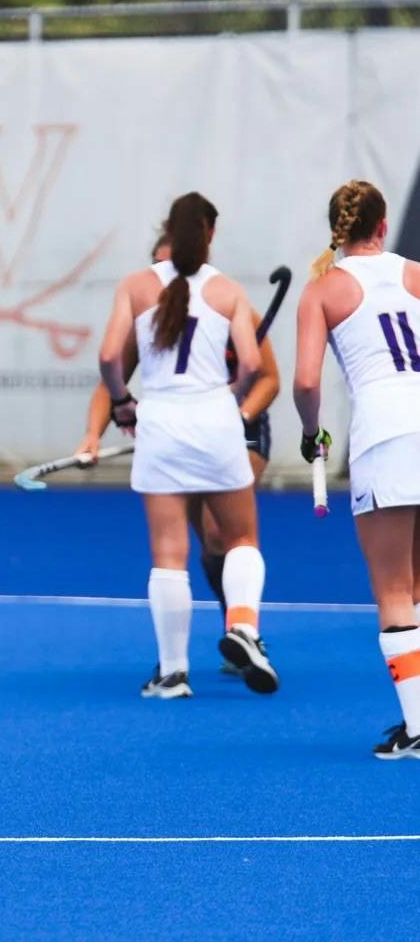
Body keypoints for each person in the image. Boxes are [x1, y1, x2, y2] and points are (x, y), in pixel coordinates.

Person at [97, 192, 278, 700]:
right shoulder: (228, 291)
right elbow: (251, 365)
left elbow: (110, 355)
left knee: (168, 554)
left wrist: (122, 402)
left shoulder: (135, 286)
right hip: (215, 420)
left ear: (169, 235)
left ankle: (173, 672)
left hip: (161, 423)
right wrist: (228, 398)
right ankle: (243, 625)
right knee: (241, 539)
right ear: (209, 235)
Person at [294, 179, 420, 759]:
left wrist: (309, 429)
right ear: (382, 224)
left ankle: (418, 728)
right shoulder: (415, 274)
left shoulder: (324, 290)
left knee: (395, 589)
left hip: (386, 436)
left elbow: (306, 382)